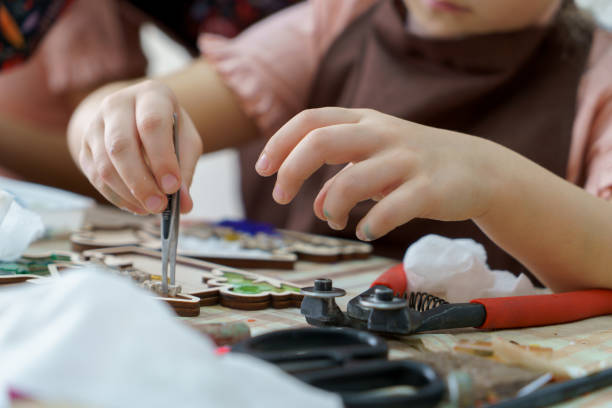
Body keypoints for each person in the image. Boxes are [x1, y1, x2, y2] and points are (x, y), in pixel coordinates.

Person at [67, 0, 612, 290]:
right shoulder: (336, 20)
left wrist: (494, 181)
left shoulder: (598, 78)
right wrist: (111, 116)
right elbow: (142, 105)